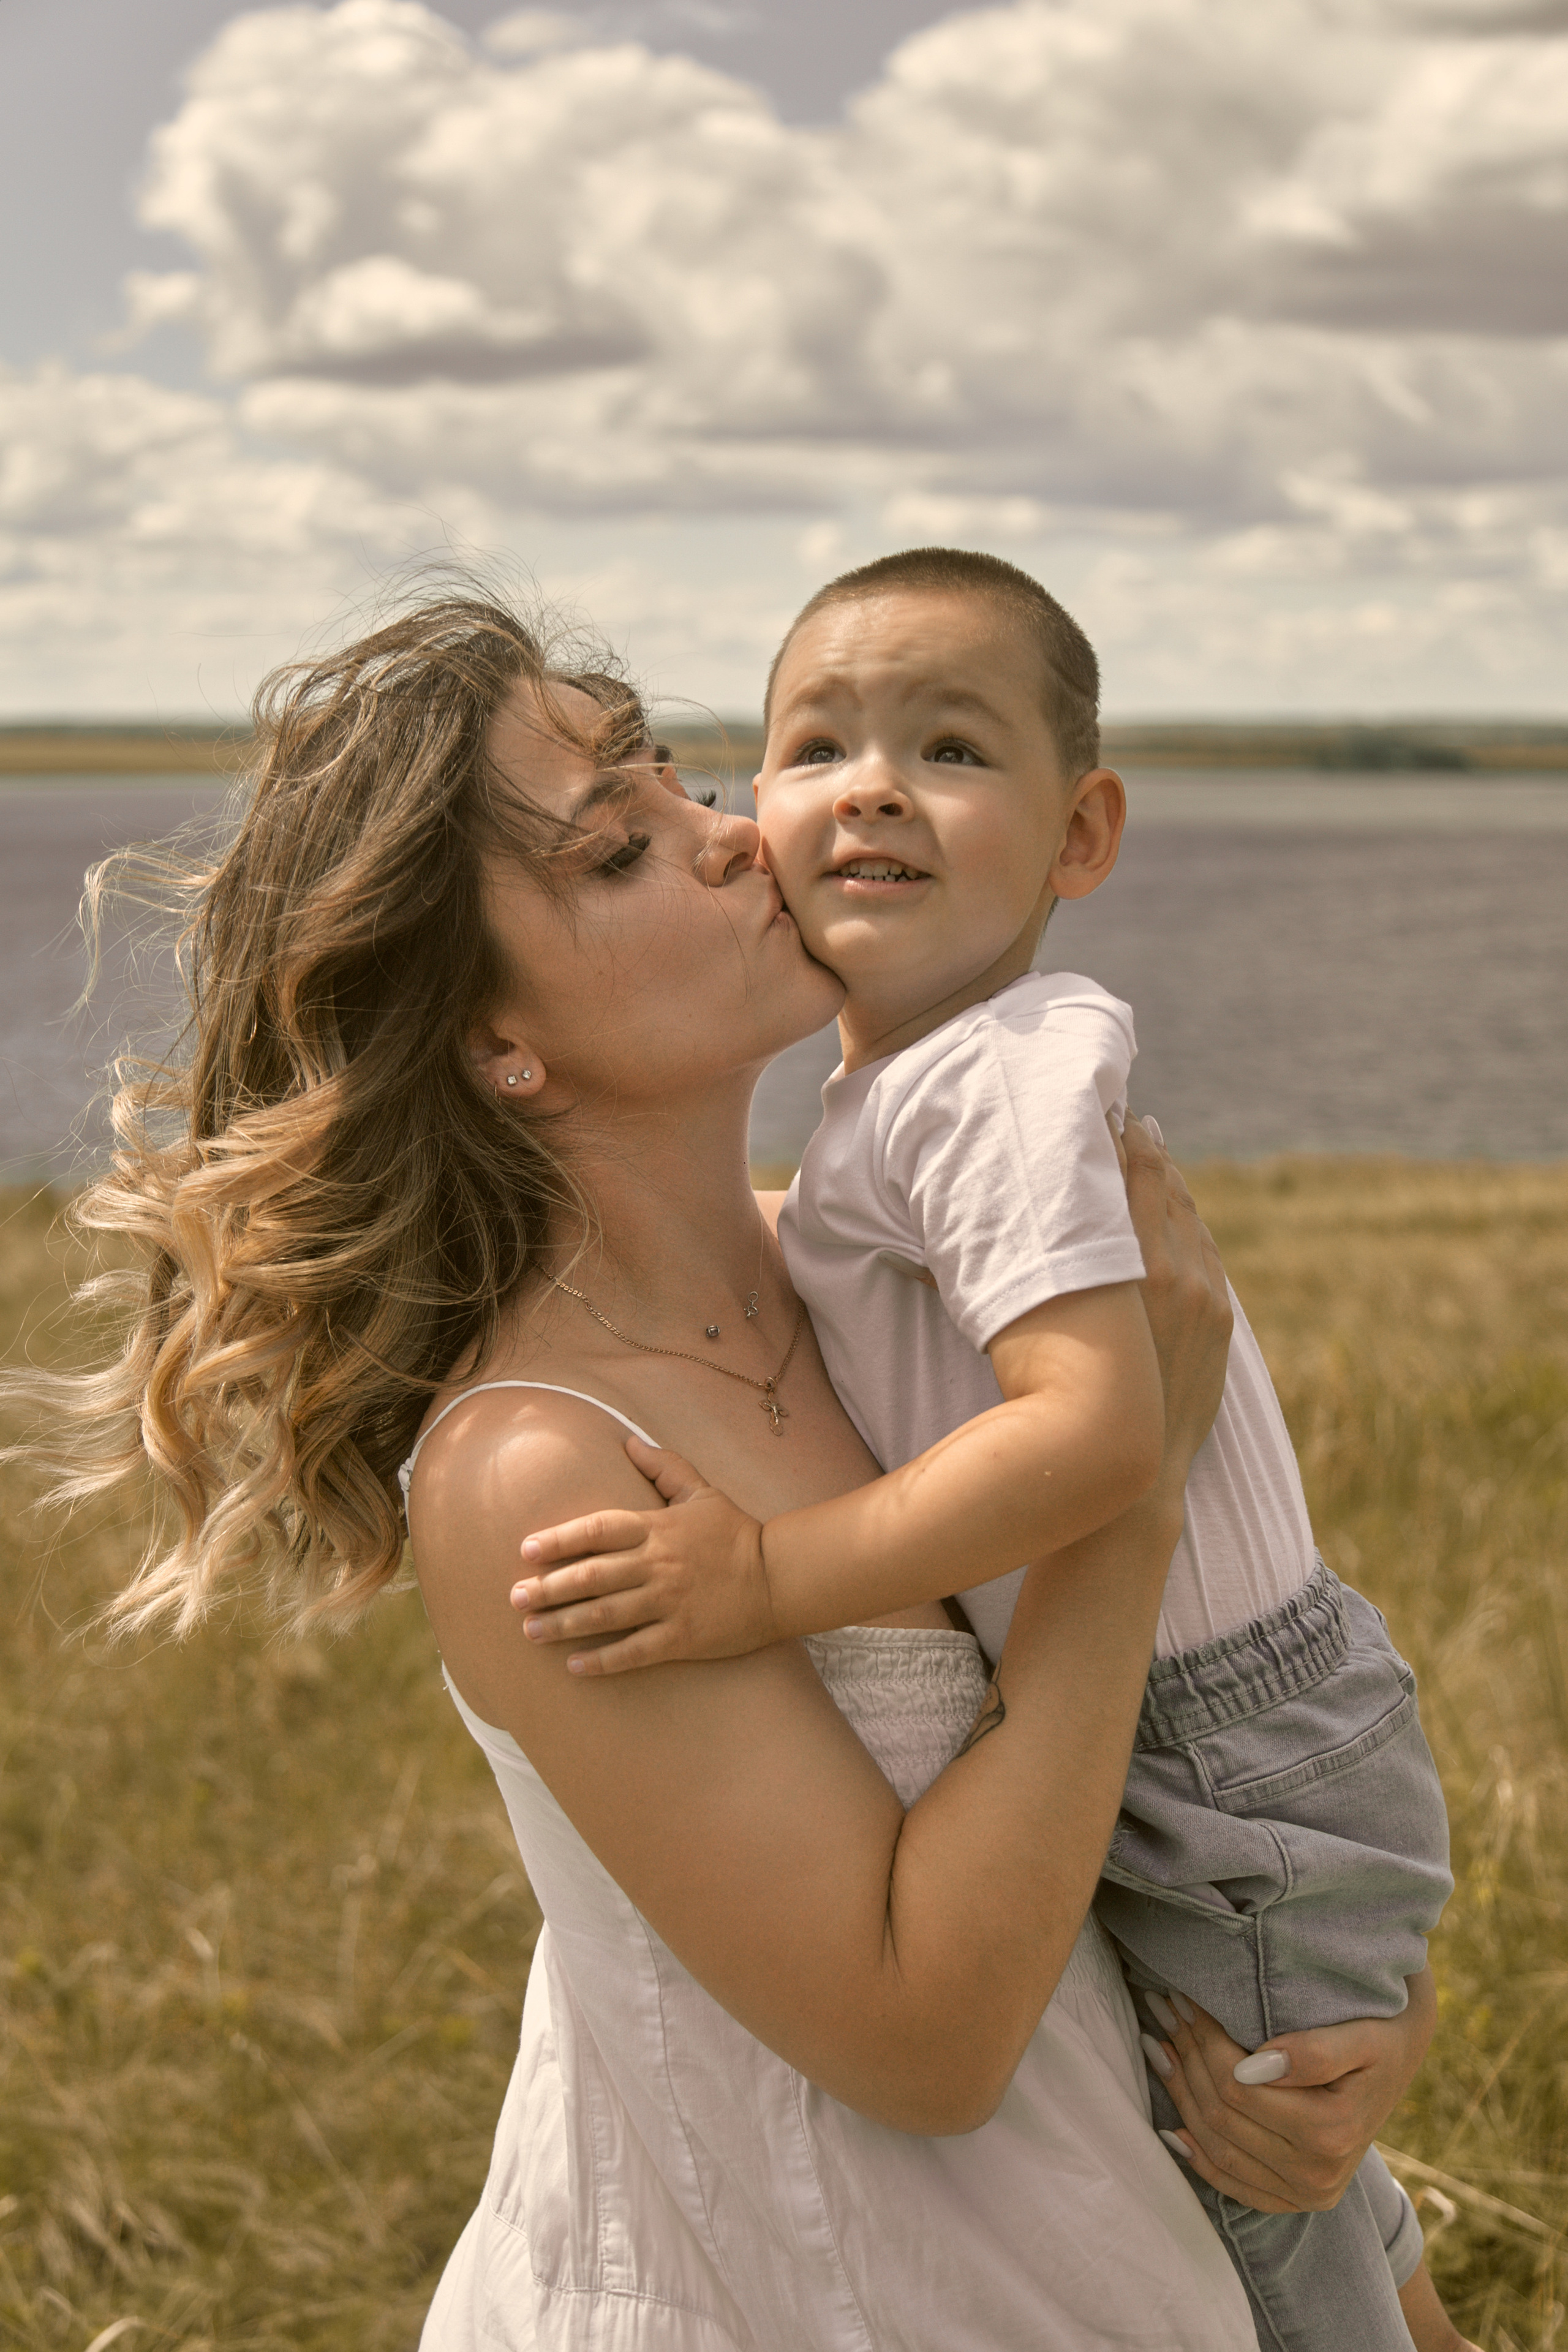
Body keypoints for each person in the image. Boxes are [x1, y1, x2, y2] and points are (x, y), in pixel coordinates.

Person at [12, 594, 1442, 2351]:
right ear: (490, 1041)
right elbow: (924, 2036)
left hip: (1119, 2240)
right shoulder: (540, 1470)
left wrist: (1344, 2018)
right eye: (619, 850)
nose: (734, 834)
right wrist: (1119, 1507)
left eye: (679, 780)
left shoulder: (857, 1275)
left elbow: (1178, 1751)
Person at [509, 552, 1468, 2352]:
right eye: (812, 745)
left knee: (1281, 2241)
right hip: (1219, 1732)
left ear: (1079, 837)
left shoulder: (997, 1080)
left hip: (1222, 1735)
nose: (868, 786)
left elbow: (1106, 1428)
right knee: (1265, 2182)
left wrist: (770, 1577)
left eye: (949, 748)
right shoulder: (890, 1118)